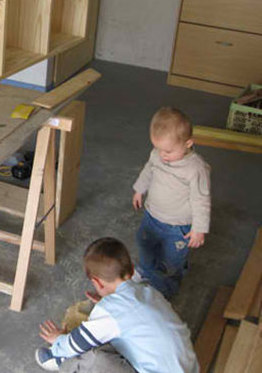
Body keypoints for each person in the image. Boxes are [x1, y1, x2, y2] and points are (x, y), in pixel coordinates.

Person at [35, 237, 199, 373]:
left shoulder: (110, 311)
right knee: (117, 336)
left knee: (95, 357)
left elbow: (77, 342)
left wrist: (58, 340)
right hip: (189, 368)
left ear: (97, 282)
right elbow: (132, 315)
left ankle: (62, 361)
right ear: (132, 270)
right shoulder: (149, 292)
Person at [132, 107, 211, 299]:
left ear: (188, 143)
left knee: (171, 260)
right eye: (158, 148)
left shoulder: (195, 169)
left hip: (177, 226)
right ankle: (144, 270)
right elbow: (148, 170)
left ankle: (165, 288)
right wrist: (139, 189)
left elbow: (201, 199)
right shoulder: (156, 155)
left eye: (168, 151)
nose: (162, 155)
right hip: (152, 215)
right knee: (145, 244)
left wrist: (199, 228)